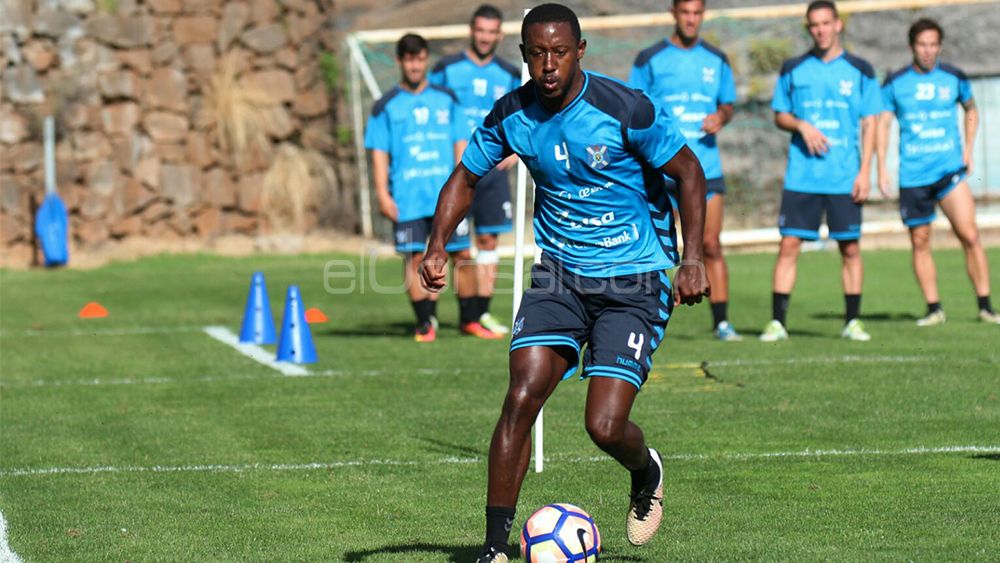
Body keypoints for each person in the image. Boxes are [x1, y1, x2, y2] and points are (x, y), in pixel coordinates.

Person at [418, 4, 710, 561]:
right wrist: (437, 246)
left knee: (604, 426)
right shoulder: (512, 114)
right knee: (520, 395)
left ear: (580, 51)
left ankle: (646, 471)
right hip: (559, 277)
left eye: (558, 52)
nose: (548, 65)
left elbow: (689, 172)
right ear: (523, 55)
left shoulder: (625, 108)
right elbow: (464, 178)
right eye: (537, 54)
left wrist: (691, 259)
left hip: (633, 279)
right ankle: (495, 547)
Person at [761, 0, 881, 342]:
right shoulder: (793, 67)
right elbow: (780, 114)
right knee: (789, 245)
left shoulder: (860, 69)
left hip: (844, 176)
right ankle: (777, 323)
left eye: (826, 23)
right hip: (803, 176)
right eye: (814, 25)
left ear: (838, 25)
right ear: (808, 28)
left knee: (850, 249)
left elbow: (871, 122)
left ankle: (852, 321)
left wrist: (865, 172)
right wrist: (802, 126)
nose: (820, 30)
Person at [629, 0, 741, 341]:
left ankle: (722, 322)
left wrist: (721, 117)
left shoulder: (717, 59)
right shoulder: (650, 59)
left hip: (705, 167)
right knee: (654, 247)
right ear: (674, 14)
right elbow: (633, 104)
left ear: (702, 15)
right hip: (661, 167)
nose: (691, 19)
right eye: (685, 12)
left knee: (711, 243)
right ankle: (642, 315)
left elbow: (728, 104)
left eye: (697, 13)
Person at [876, 18, 998, 326]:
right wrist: (881, 168)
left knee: (970, 235)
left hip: (949, 171)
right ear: (912, 47)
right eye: (922, 44)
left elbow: (971, 110)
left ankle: (986, 306)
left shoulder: (954, 77)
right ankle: (934, 309)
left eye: (933, 45)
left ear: (940, 47)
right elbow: (883, 123)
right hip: (914, 175)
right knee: (920, 241)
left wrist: (968, 150)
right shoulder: (895, 82)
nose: (928, 51)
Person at [364, 33, 479, 342]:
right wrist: (382, 194)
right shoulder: (385, 106)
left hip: (446, 195)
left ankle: (470, 319)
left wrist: (464, 185)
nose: (415, 66)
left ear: (426, 60)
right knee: (414, 257)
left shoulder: (446, 98)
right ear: (399, 61)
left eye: (419, 59)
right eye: (409, 60)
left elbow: (460, 144)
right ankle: (425, 322)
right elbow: (379, 153)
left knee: (462, 253)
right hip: (408, 196)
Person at [430, 4, 522, 338]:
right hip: (458, 169)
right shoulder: (446, 69)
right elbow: (430, 105)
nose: (485, 37)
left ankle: (481, 313)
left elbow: (524, 113)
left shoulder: (510, 73)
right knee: (459, 245)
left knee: (488, 239)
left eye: (491, 32)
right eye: (480, 30)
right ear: (472, 31)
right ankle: (462, 312)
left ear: (500, 35)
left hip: (494, 171)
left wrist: (515, 151)